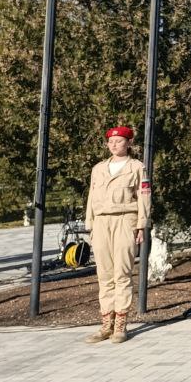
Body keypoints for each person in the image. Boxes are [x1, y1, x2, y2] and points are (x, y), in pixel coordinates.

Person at [81, 125, 149, 345]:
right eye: (110, 141)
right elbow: (91, 197)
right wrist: (89, 224)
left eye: (119, 141)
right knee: (104, 275)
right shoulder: (98, 168)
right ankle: (106, 324)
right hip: (101, 222)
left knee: (122, 273)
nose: (113, 145)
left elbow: (144, 198)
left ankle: (120, 324)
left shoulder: (136, 167)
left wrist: (141, 225)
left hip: (124, 221)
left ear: (129, 143)